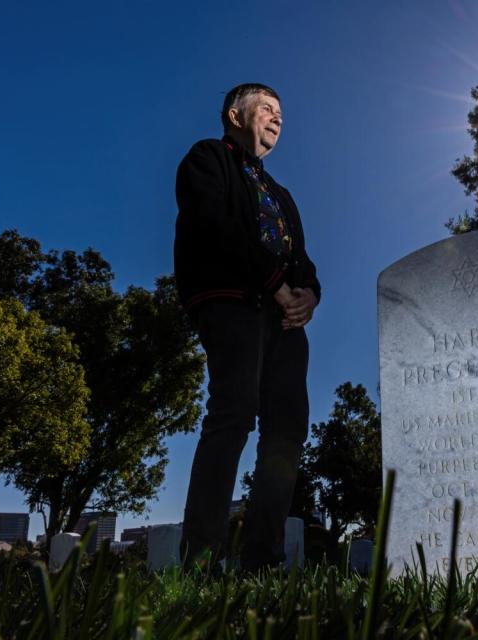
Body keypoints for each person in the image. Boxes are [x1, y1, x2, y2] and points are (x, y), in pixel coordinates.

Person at [174, 83, 320, 572]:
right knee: (233, 414)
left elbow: (302, 259)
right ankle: (201, 561)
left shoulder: (282, 194)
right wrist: (276, 282)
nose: (278, 118)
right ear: (235, 115)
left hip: (284, 317)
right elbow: (214, 226)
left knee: (287, 431)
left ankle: (263, 560)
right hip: (232, 301)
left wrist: (309, 294)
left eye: (282, 112)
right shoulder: (207, 159)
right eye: (267, 109)